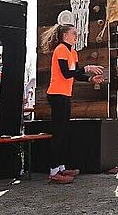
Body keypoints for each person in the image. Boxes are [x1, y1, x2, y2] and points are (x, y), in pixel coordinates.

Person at [41, 24, 104, 184]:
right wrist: (88, 68)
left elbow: (75, 75)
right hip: (56, 95)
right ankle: (54, 171)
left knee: (64, 133)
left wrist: (90, 78)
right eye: (74, 33)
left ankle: (61, 167)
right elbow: (66, 73)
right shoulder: (61, 49)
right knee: (58, 133)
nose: (77, 35)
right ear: (65, 36)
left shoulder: (73, 52)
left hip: (64, 95)